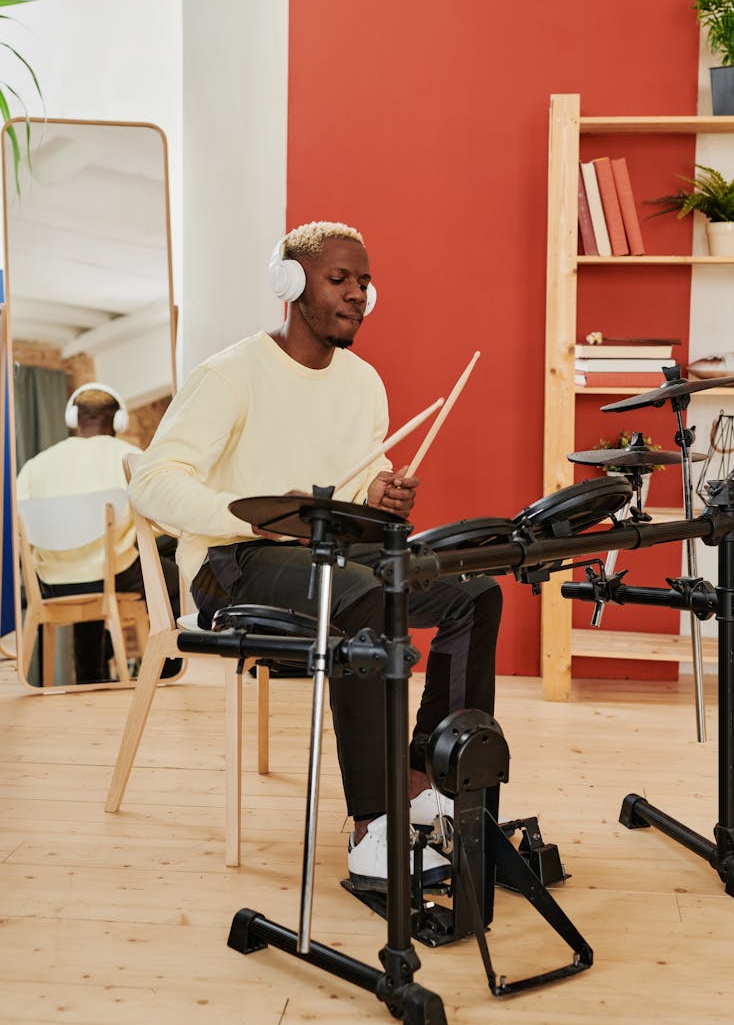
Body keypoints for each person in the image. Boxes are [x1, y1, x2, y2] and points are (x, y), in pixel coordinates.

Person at [128, 221, 502, 890]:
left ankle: (424, 782)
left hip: (331, 552)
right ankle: (373, 827)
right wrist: (259, 513)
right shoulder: (231, 374)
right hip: (233, 562)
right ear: (292, 284)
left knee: (472, 592)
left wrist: (380, 493)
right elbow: (153, 482)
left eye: (364, 282)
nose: (358, 293)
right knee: (356, 594)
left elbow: (356, 481)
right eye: (340, 279)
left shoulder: (363, 382)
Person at [16, 383, 181, 684]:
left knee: (90, 567)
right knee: (175, 579)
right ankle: (167, 671)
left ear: (73, 419)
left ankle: (92, 676)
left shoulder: (35, 465)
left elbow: (19, 525)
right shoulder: (129, 455)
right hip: (111, 574)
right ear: (118, 421)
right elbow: (161, 518)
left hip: (52, 583)